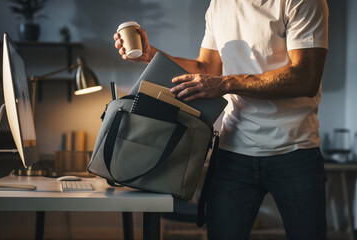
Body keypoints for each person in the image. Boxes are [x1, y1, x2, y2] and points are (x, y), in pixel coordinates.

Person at [114, 0, 328, 239]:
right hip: (234, 150)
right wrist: (150, 55)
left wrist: (226, 83)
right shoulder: (219, 4)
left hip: (295, 150)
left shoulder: (301, 2)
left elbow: (306, 77)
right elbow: (208, 68)